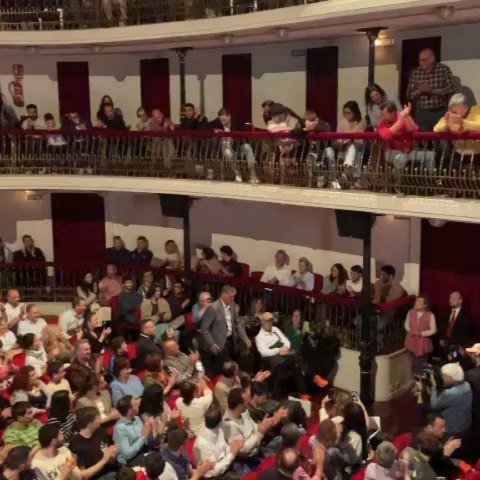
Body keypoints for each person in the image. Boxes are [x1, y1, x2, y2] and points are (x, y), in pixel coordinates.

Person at [199, 285, 250, 376]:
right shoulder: (213, 308)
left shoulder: (233, 305)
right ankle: (221, 378)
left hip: (231, 339)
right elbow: (204, 329)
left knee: (245, 348)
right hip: (217, 341)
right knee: (224, 361)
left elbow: (237, 324)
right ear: (224, 294)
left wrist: (245, 338)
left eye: (234, 296)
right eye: (231, 296)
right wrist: (211, 343)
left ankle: (236, 376)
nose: (233, 298)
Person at [222, 388, 283, 463]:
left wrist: (268, 423)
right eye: (247, 401)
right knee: (279, 461)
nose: (249, 402)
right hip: (250, 459)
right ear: (239, 407)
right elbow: (242, 450)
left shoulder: (243, 411)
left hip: (259, 446)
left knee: (284, 439)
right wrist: (260, 433)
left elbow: (254, 427)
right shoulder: (229, 425)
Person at [255, 312, 306, 397]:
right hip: (270, 358)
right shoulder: (259, 335)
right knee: (294, 360)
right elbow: (263, 352)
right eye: (267, 321)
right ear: (262, 322)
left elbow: (287, 342)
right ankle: (311, 376)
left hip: (282, 353)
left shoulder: (275, 329)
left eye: (271, 321)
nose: (269, 323)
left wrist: (285, 348)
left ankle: (304, 393)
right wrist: (278, 350)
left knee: (296, 362)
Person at [378, 101, 435, 172]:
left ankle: (427, 181)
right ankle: (396, 182)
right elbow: (386, 136)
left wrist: (406, 116)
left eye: (384, 115)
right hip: (391, 152)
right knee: (401, 159)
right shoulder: (382, 123)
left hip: (408, 151)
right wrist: (401, 118)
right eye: (382, 115)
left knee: (430, 156)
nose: (382, 117)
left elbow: (412, 129)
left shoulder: (403, 115)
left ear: (393, 113)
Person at [406, 48, 454, 131]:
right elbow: (408, 95)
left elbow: (451, 89)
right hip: (421, 113)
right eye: (419, 60)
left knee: (442, 139)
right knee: (422, 140)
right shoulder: (415, 73)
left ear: (432, 59)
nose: (421, 63)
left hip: (440, 111)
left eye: (424, 60)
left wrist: (432, 91)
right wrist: (419, 91)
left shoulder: (443, 70)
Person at [208, 107, 258, 183]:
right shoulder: (217, 122)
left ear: (229, 116)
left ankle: (253, 175)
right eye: (221, 120)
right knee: (228, 152)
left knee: (247, 147)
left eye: (224, 120)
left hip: (238, 146)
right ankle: (238, 175)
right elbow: (206, 125)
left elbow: (242, 135)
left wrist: (231, 137)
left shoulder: (237, 122)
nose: (223, 123)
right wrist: (214, 129)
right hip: (226, 149)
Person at [421, 362, 472, 436]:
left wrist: (433, 387)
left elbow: (434, 405)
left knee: (425, 407)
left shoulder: (449, 393)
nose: (442, 377)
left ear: (450, 377)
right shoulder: (467, 385)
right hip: (466, 423)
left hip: (454, 429)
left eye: (443, 376)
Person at [194, 405, 244, 478]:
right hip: (215, 476)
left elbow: (224, 448)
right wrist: (232, 454)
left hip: (226, 464)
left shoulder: (218, 429)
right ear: (220, 422)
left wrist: (233, 447)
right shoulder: (203, 444)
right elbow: (214, 472)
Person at [69, 406, 119, 479]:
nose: (100, 420)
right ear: (90, 425)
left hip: (110, 472)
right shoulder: (76, 445)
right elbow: (82, 476)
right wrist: (104, 460)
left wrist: (112, 454)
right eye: (98, 419)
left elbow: (108, 456)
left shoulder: (99, 432)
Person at [433, 93, 480, 169]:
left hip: (476, 154)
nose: (452, 114)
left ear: (465, 107)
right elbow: (436, 129)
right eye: (451, 111)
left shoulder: (475, 110)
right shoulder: (451, 115)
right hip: (459, 154)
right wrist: (447, 123)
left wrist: (462, 122)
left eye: (455, 111)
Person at [113, 395, 153, 466]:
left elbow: (145, 439)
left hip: (142, 452)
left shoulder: (137, 418)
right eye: (136, 405)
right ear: (130, 411)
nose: (139, 405)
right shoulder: (119, 428)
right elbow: (127, 454)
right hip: (129, 461)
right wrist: (143, 437)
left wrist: (150, 428)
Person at [404, 295, 437, 375]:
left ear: (425, 305)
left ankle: (420, 381)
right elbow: (406, 324)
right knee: (412, 364)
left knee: (418, 365)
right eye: (416, 301)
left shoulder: (430, 315)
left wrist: (422, 333)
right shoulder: (410, 312)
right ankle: (415, 380)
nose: (416, 303)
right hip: (411, 341)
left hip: (422, 344)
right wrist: (411, 331)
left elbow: (433, 330)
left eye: (419, 302)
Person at [176, 373, 213, 437]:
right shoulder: (201, 403)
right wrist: (201, 379)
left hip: (188, 430)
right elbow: (208, 392)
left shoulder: (178, 401)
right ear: (194, 393)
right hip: (201, 433)